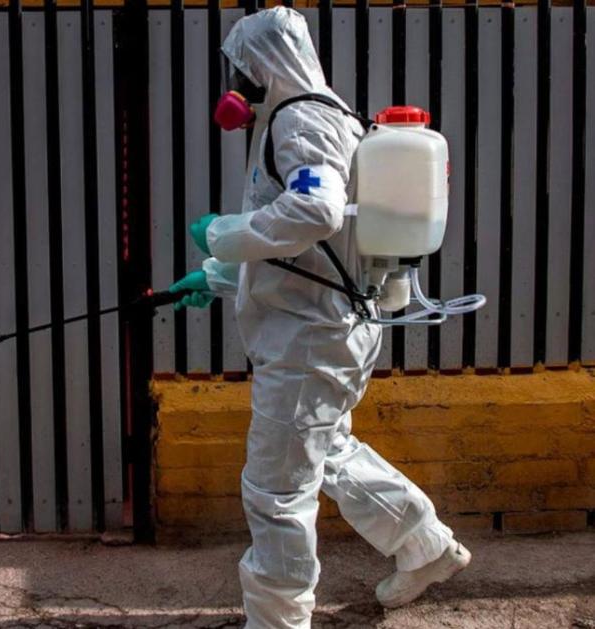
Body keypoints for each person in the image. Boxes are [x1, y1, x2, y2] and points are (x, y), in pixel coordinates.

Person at [169, 7, 470, 628]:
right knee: (327, 449)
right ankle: (424, 546)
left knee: (277, 490)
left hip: (308, 340)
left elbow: (315, 214)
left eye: (241, 67)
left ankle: (278, 622)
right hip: (330, 325)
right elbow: (320, 249)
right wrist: (219, 276)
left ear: (264, 63)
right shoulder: (330, 114)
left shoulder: (299, 118)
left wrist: (221, 234)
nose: (237, 82)